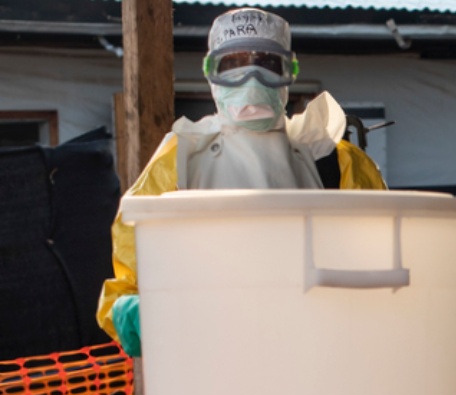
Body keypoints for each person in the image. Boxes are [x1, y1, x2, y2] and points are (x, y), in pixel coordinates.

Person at [97, 7, 387, 357]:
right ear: (211, 73)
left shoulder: (334, 161)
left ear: (289, 72)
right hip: (216, 361)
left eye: (267, 64)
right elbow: (130, 279)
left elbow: (387, 260)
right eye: (233, 65)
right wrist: (133, 313)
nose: (252, 78)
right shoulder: (180, 163)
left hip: (319, 356)